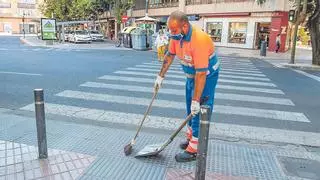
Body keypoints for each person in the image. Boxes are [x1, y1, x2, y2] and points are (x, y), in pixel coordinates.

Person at [154, 10, 220, 162]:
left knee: (198, 109)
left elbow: (201, 74)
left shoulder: (199, 40)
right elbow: (169, 55)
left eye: (174, 30)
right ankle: (191, 137)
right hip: (191, 75)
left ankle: (195, 148)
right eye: (170, 30)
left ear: (185, 26)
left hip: (207, 75)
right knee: (189, 106)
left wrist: (197, 100)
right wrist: (160, 76)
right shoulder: (177, 37)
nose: (172, 33)